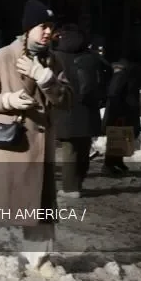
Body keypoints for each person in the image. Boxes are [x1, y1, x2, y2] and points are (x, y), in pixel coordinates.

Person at [0, 0, 72, 272]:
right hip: (10, 145)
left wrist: (45, 78)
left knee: (40, 207)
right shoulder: (3, 56)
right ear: (28, 28)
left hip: (41, 148)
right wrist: (8, 101)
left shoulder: (54, 60)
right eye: (43, 26)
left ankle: (40, 260)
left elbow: (66, 100)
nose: (48, 32)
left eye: (51, 27)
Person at [50, 24, 103, 197]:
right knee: (83, 148)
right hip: (89, 110)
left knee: (70, 150)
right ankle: (78, 183)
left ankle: (70, 188)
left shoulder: (56, 57)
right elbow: (108, 73)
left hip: (67, 109)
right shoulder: (92, 57)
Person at [102, 54, 141, 175]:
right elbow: (114, 93)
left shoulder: (129, 74)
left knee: (124, 137)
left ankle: (118, 161)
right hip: (120, 111)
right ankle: (108, 164)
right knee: (116, 137)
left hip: (127, 110)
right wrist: (118, 112)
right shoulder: (122, 74)